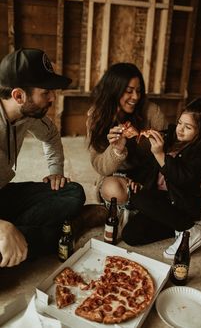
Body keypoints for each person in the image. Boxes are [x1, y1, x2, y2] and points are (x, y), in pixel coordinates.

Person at [0, 48, 86, 268]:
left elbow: (51, 136)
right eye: (45, 92)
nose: (52, 98)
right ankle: (56, 232)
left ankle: (24, 239)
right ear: (18, 95)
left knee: (73, 192)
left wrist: (55, 170)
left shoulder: (27, 113)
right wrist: (3, 227)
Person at [121, 97, 201, 259]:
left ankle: (190, 231)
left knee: (140, 199)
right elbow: (149, 164)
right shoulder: (172, 137)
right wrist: (135, 178)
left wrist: (159, 154)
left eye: (188, 127)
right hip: (163, 204)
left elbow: (182, 179)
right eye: (180, 123)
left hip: (181, 203)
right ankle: (187, 225)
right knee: (130, 236)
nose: (180, 129)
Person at [87, 62, 167, 219]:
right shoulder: (96, 117)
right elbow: (100, 166)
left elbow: (167, 154)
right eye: (129, 91)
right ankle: (145, 205)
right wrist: (117, 149)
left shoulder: (152, 111)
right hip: (117, 175)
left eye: (138, 91)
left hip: (150, 172)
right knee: (113, 189)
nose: (135, 97)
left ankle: (135, 205)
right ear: (114, 90)